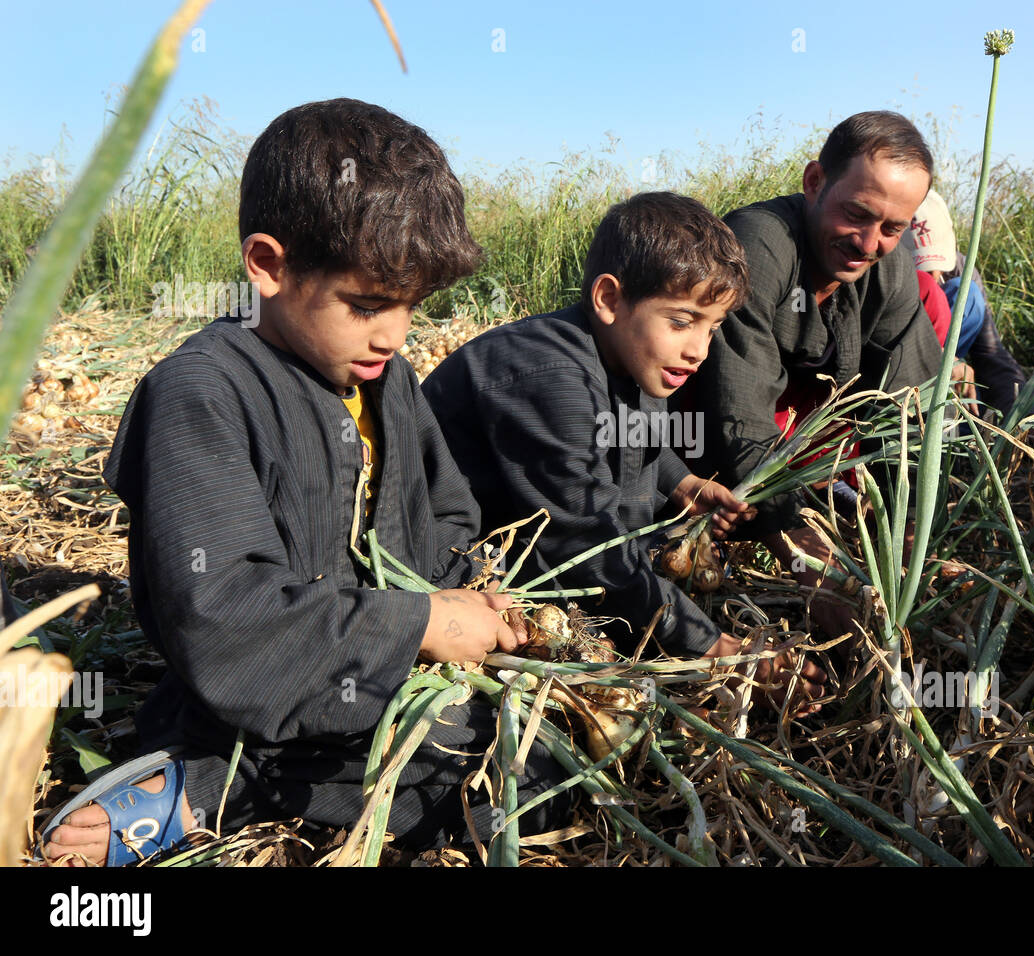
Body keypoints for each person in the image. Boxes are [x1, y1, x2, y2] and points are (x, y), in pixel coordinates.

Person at [42, 99, 571, 867]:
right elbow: (223, 615)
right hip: (258, 692)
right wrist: (417, 624)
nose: (394, 333)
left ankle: (236, 784)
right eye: (367, 305)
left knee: (542, 751)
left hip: (388, 682)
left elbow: (449, 518)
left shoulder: (387, 381)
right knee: (493, 772)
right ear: (269, 264)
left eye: (411, 307)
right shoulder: (202, 392)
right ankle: (212, 784)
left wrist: (474, 598)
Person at [423, 192, 827, 713]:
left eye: (714, 326)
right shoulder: (551, 380)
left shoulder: (631, 356)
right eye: (682, 321)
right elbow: (585, 541)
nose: (699, 350)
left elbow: (638, 440)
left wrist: (682, 484)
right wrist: (717, 649)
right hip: (473, 562)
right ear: (610, 300)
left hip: (570, 541)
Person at [679, 111, 942, 637]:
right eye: (857, 215)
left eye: (892, 227)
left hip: (800, 450)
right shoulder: (758, 246)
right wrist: (807, 559)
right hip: (695, 443)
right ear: (814, 181)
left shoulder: (889, 270)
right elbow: (739, 416)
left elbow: (909, 413)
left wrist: (911, 534)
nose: (869, 243)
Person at [902, 189, 1028, 420]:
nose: (933, 275)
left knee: (966, 292)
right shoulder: (877, 271)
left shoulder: (961, 268)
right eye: (921, 268)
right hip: (898, 369)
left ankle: (956, 420)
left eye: (935, 266)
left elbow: (990, 353)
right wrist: (940, 359)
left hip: (946, 362)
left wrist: (1021, 414)